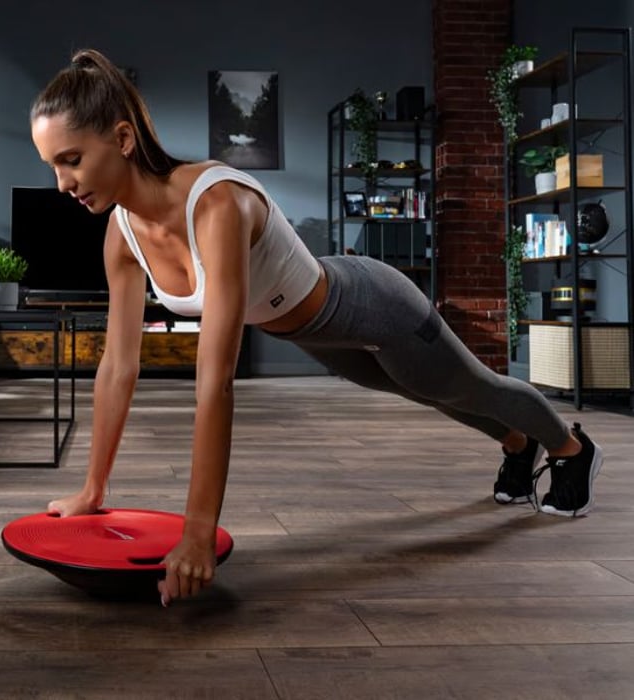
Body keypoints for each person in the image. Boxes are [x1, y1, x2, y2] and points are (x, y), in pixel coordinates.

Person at [30, 49, 603, 607]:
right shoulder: (121, 235)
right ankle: (515, 443)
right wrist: (92, 490)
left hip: (372, 303)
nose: (62, 183)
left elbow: (215, 384)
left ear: (123, 139)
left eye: (72, 160)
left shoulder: (216, 203)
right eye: (53, 166)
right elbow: (118, 366)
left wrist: (199, 531)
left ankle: (572, 449)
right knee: (421, 387)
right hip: (313, 335)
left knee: (468, 385)